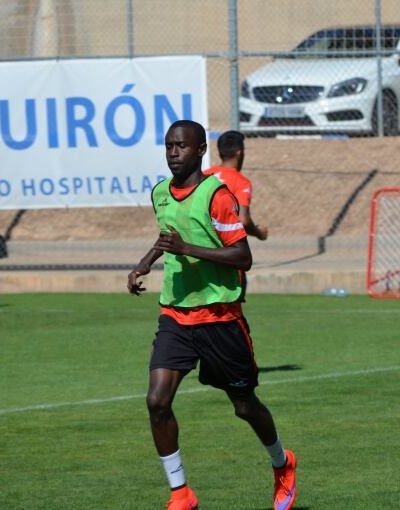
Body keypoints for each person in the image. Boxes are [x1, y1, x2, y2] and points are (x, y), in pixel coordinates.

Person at [127, 120, 296, 510]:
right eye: (169, 146)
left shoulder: (217, 196)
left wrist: (189, 250)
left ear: (201, 150)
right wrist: (144, 263)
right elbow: (168, 236)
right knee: (157, 401)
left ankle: (282, 463)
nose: (173, 153)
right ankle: (181, 493)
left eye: (181, 146)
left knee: (244, 405)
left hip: (219, 317)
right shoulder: (160, 193)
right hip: (176, 315)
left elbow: (243, 257)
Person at [203, 130, 269, 240]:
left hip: (198, 241)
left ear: (220, 153)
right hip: (222, 246)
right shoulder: (241, 182)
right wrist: (258, 233)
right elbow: (244, 221)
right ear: (239, 153)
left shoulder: (204, 175)